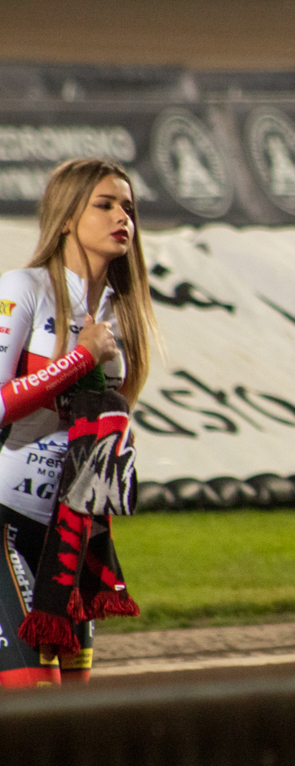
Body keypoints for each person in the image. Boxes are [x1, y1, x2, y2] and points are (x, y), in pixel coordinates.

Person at [0, 158, 156, 687]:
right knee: (35, 697)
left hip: (68, 534)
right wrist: (81, 359)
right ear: (67, 218)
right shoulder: (23, 288)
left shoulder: (122, 311)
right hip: (5, 519)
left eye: (128, 207)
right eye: (105, 205)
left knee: (74, 709)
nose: (122, 217)